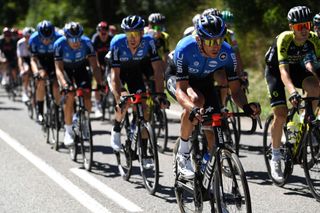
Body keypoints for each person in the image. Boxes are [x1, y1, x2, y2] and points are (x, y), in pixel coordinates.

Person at [171, 14, 260, 179]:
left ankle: (207, 168)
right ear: (199, 40)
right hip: (181, 81)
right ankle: (182, 153)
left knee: (212, 127)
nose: (216, 46)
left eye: (220, 40)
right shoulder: (185, 48)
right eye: (211, 41)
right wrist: (192, 109)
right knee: (196, 101)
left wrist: (246, 106)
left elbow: (235, 90)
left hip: (204, 79)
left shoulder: (227, 52)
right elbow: (181, 90)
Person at [264, 6, 320, 181]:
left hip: (297, 69)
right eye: (298, 26)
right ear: (291, 27)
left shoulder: (313, 39)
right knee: (280, 115)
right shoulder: (284, 39)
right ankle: (275, 155)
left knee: (315, 87)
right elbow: (283, 73)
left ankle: (305, 121)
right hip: (276, 71)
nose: (303, 30)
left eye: (307, 25)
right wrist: (293, 92)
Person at [109, 15, 166, 167]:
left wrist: (160, 94)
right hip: (119, 73)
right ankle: (116, 129)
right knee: (125, 101)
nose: (132, 38)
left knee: (145, 109)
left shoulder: (149, 42)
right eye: (129, 34)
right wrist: (118, 97)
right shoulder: (117, 43)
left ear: (142, 33)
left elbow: (157, 70)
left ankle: (145, 152)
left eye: (135, 34)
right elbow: (115, 75)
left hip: (135, 72)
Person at [54, 22, 103, 146]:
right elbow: (58, 70)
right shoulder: (59, 44)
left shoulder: (87, 43)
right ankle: (68, 130)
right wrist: (64, 84)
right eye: (72, 39)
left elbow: (95, 66)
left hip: (81, 68)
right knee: (70, 95)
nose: (76, 42)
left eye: (78, 38)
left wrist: (100, 83)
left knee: (86, 95)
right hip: (66, 70)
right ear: (66, 37)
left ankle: (84, 121)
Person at [29, 20, 62, 122]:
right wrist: (36, 72)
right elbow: (33, 59)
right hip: (40, 60)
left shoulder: (59, 38)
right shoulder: (33, 39)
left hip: (53, 60)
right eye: (43, 38)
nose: (46, 41)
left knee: (56, 84)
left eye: (49, 38)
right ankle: (40, 111)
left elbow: (61, 59)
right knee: (40, 80)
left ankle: (57, 110)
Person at [91, 21, 113, 118]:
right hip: (98, 61)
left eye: (105, 32)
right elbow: (94, 56)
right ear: (98, 32)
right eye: (101, 32)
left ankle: (112, 98)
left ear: (108, 32)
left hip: (109, 61)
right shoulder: (95, 39)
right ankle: (97, 105)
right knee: (97, 80)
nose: (103, 34)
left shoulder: (111, 39)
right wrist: (98, 66)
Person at [16, 27, 35, 102]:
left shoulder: (35, 42)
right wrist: (21, 69)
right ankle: (25, 91)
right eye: (26, 37)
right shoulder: (20, 43)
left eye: (30, 37)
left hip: (33, 58)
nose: (28, 38)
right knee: (26, 71)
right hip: (25, 59)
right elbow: (20, 58)